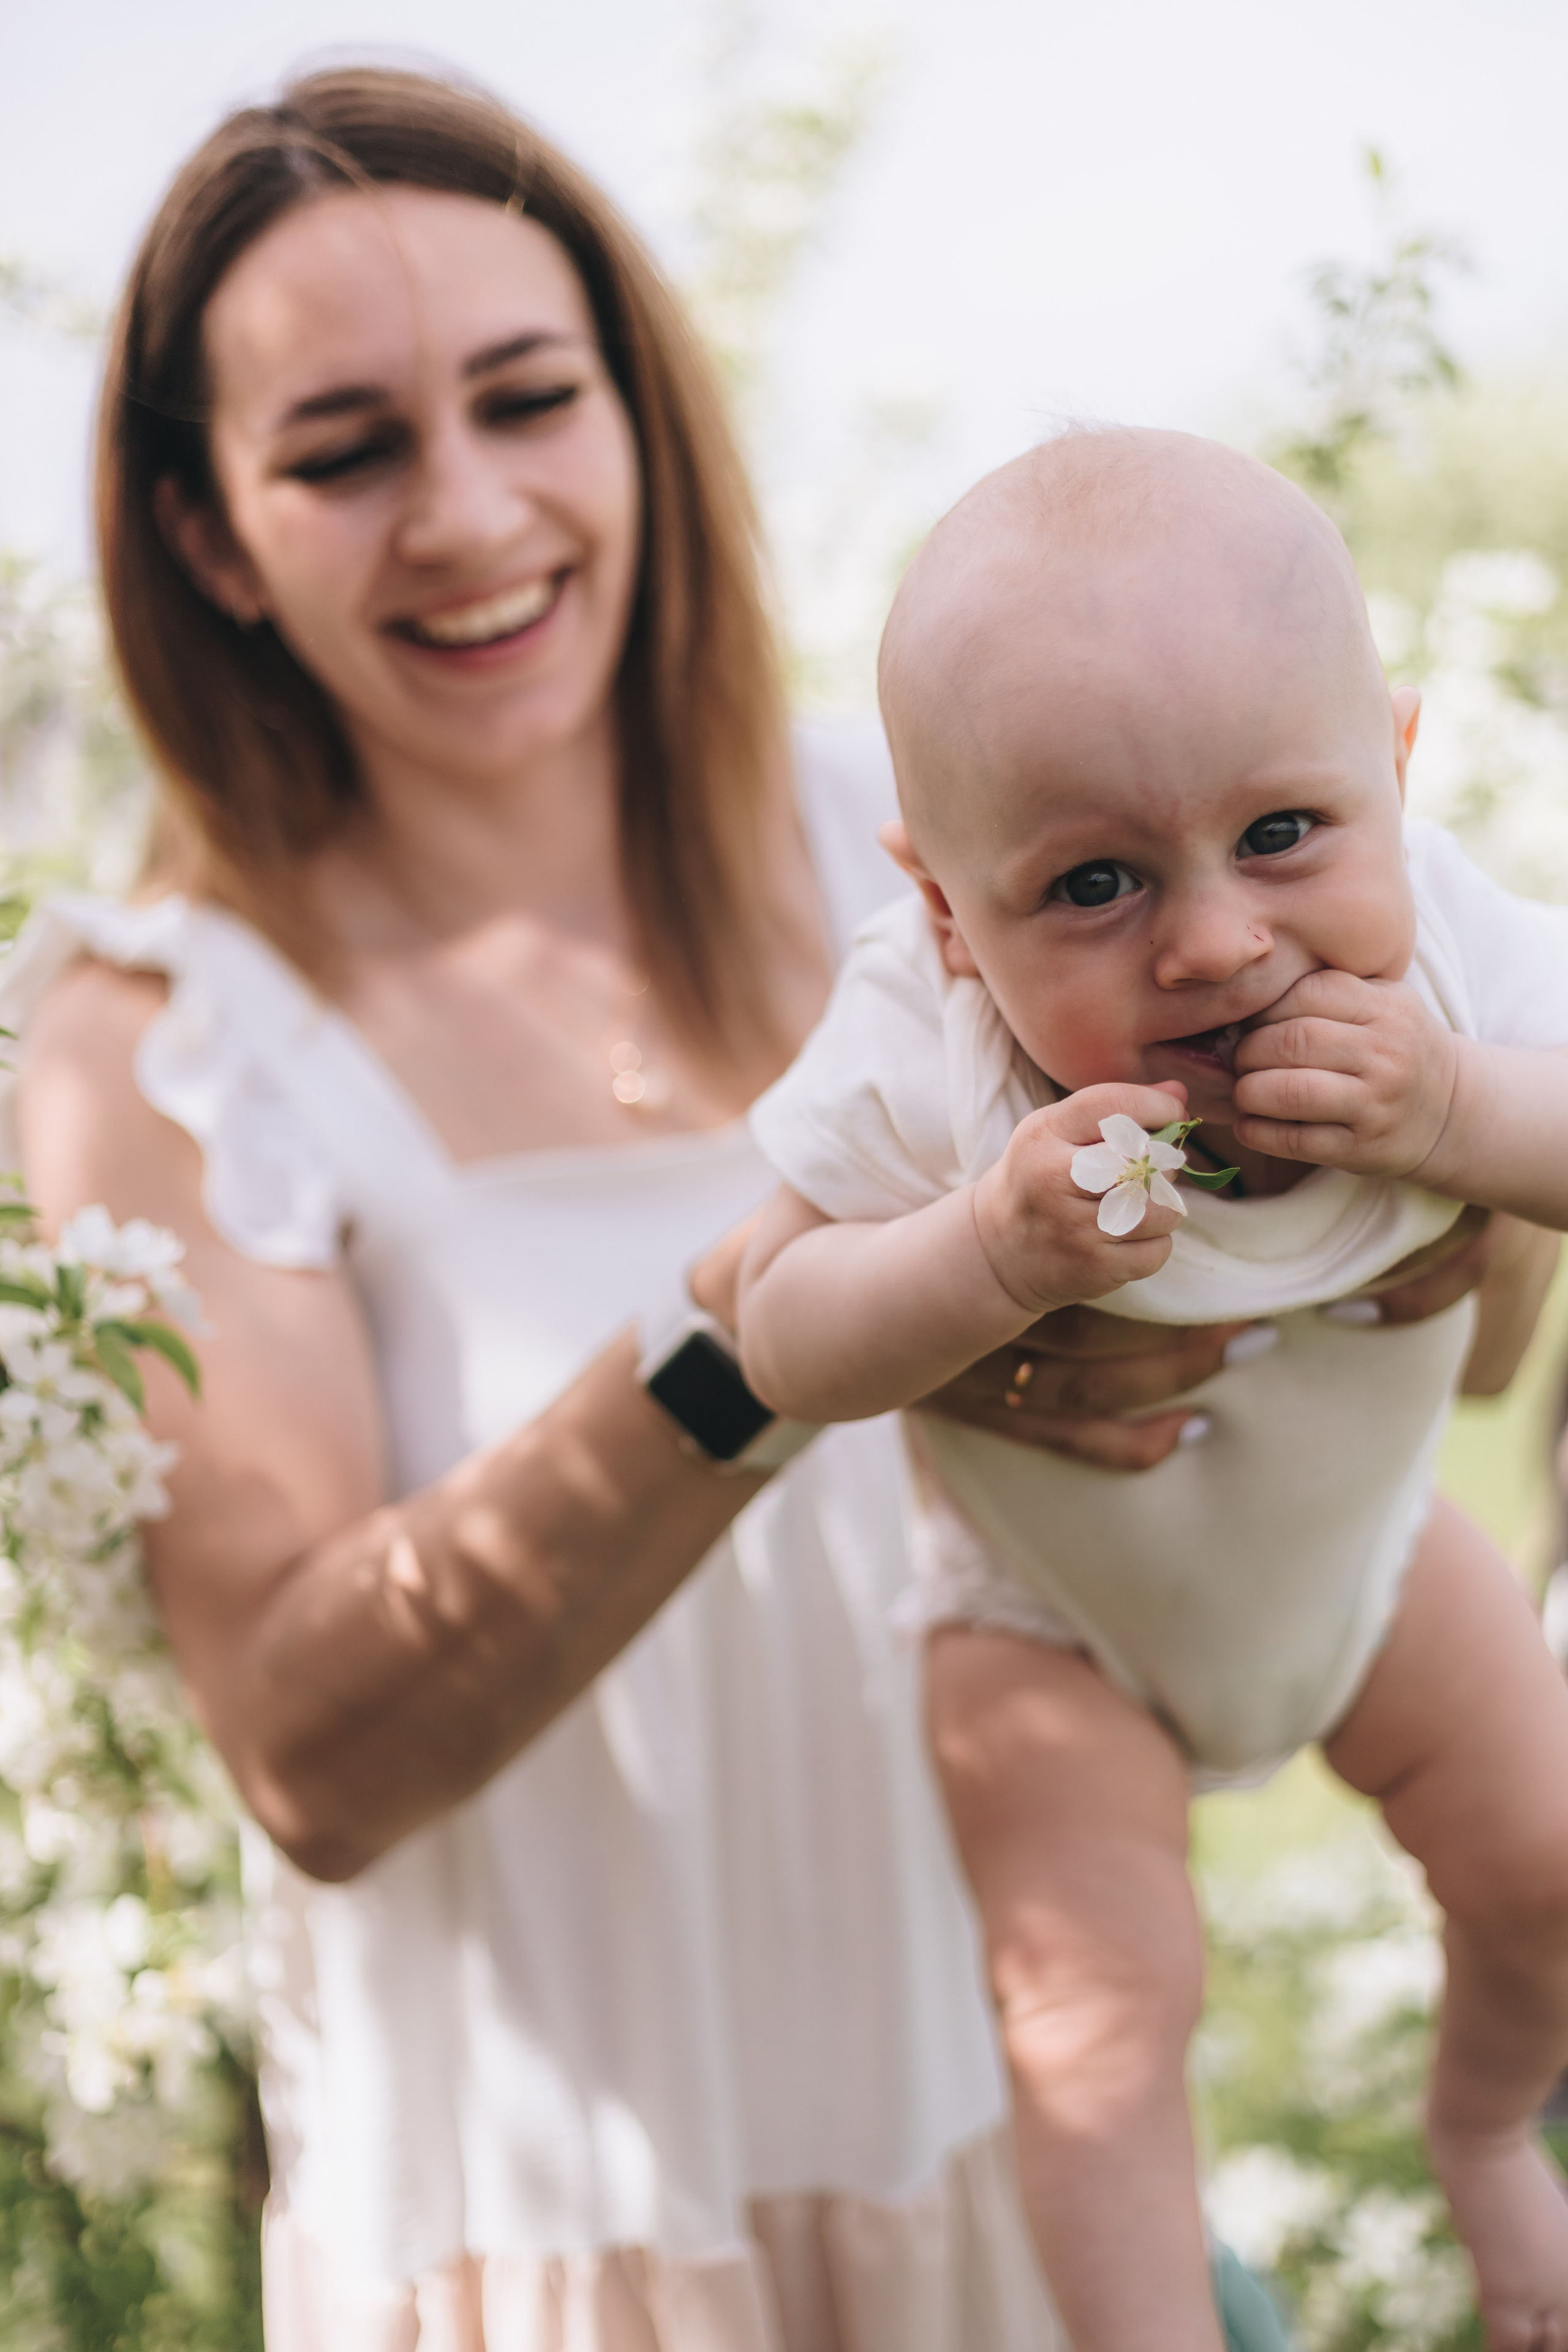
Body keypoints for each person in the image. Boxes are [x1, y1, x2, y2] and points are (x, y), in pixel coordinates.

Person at [735, 429, 1568, 2352]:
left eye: (1284, 835)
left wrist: (1452, 1108)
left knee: (1542, 1860)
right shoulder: (922, 1051)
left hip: (1364, 1566)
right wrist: (984, 1256)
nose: (1214, 941)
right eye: (1093, 886)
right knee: (1101, 2018)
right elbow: (771, 1326)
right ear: (948, 914)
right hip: (1050, 1629)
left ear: (1401, 764)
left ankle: (1487, 2128)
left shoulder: (1455, 947)